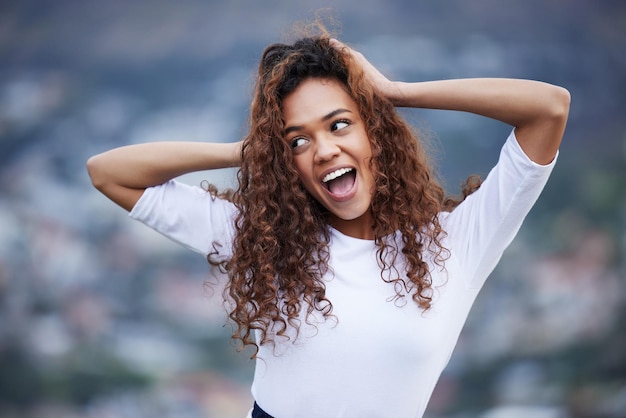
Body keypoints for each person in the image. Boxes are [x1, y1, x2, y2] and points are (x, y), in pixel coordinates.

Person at [87, 30, 570, 418]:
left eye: (340, 124)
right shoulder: (266, 238)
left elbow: (549, 109)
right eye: (297, 141)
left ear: (374, 132)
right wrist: (251, 150)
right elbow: (109, 173)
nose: (323, 150)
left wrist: (393, 93)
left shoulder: (457, 243)